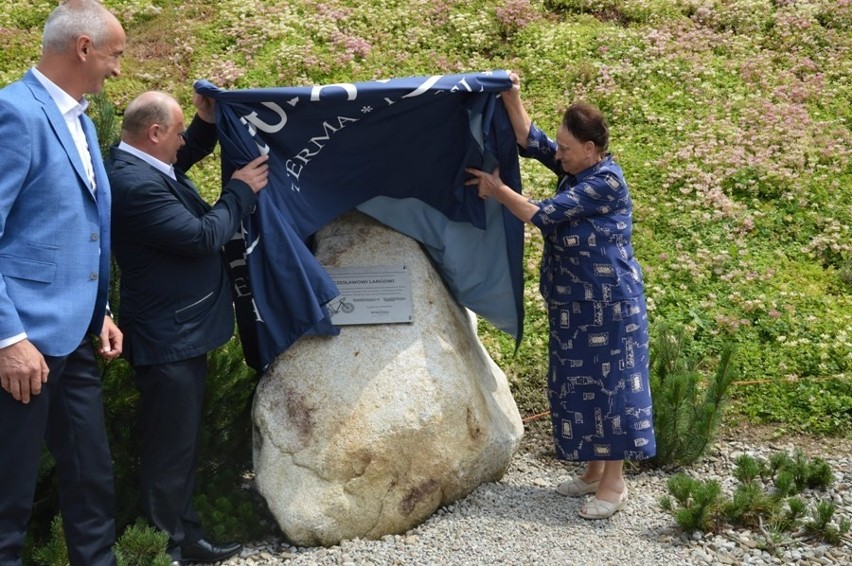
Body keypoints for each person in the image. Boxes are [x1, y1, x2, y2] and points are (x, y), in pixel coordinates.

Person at [465, 72, 655, 520]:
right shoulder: (578, 165)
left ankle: (614, 484)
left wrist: (497, 190)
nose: (561, 154)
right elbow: (531, 140)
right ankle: (592, 472)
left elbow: (542, 215)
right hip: (575, 304)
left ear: (591, 150)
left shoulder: (605, 182)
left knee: (613, 390)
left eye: (568, 149)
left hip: (610, 305)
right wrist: (512, 97)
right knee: (582, 385)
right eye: (563, 148)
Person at [106, 90, 269, 563]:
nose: (182, 144)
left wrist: (203, 124)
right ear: (155, 133)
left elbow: (175, 165)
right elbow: (202, 236)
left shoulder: (139, 165)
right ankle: (169, 548)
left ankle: (185, 535)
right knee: (168, 454)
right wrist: (240, 189)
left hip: (176, 334)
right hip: (167, 339)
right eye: (177, 133)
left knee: (180, 448)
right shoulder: (132, 184)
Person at [0, 1, 126, 563]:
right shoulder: (13, 114)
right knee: (8, 506)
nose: (117, 70)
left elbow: (62, 230)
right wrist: (7, 339)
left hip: (75, 341)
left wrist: (97, 309)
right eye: (114, 55)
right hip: (20, 349)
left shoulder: (79, 119)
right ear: (83, 47)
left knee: (93, 486)